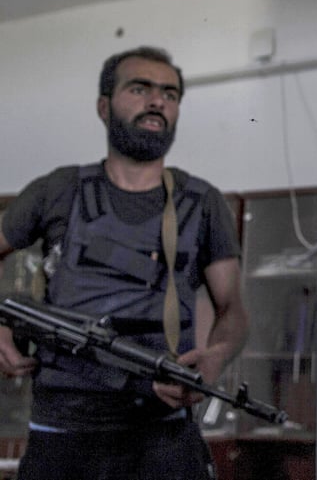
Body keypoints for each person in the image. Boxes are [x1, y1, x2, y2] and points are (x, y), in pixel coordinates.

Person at [0, 46, 247, 480]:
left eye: (170, 95)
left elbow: (233, 311)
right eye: (140, 89)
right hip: (63, 432)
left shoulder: (202, 202)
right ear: (103, 106)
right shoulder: (57, 190)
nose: (158, 101)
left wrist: (216, 356)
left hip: (162, 434)